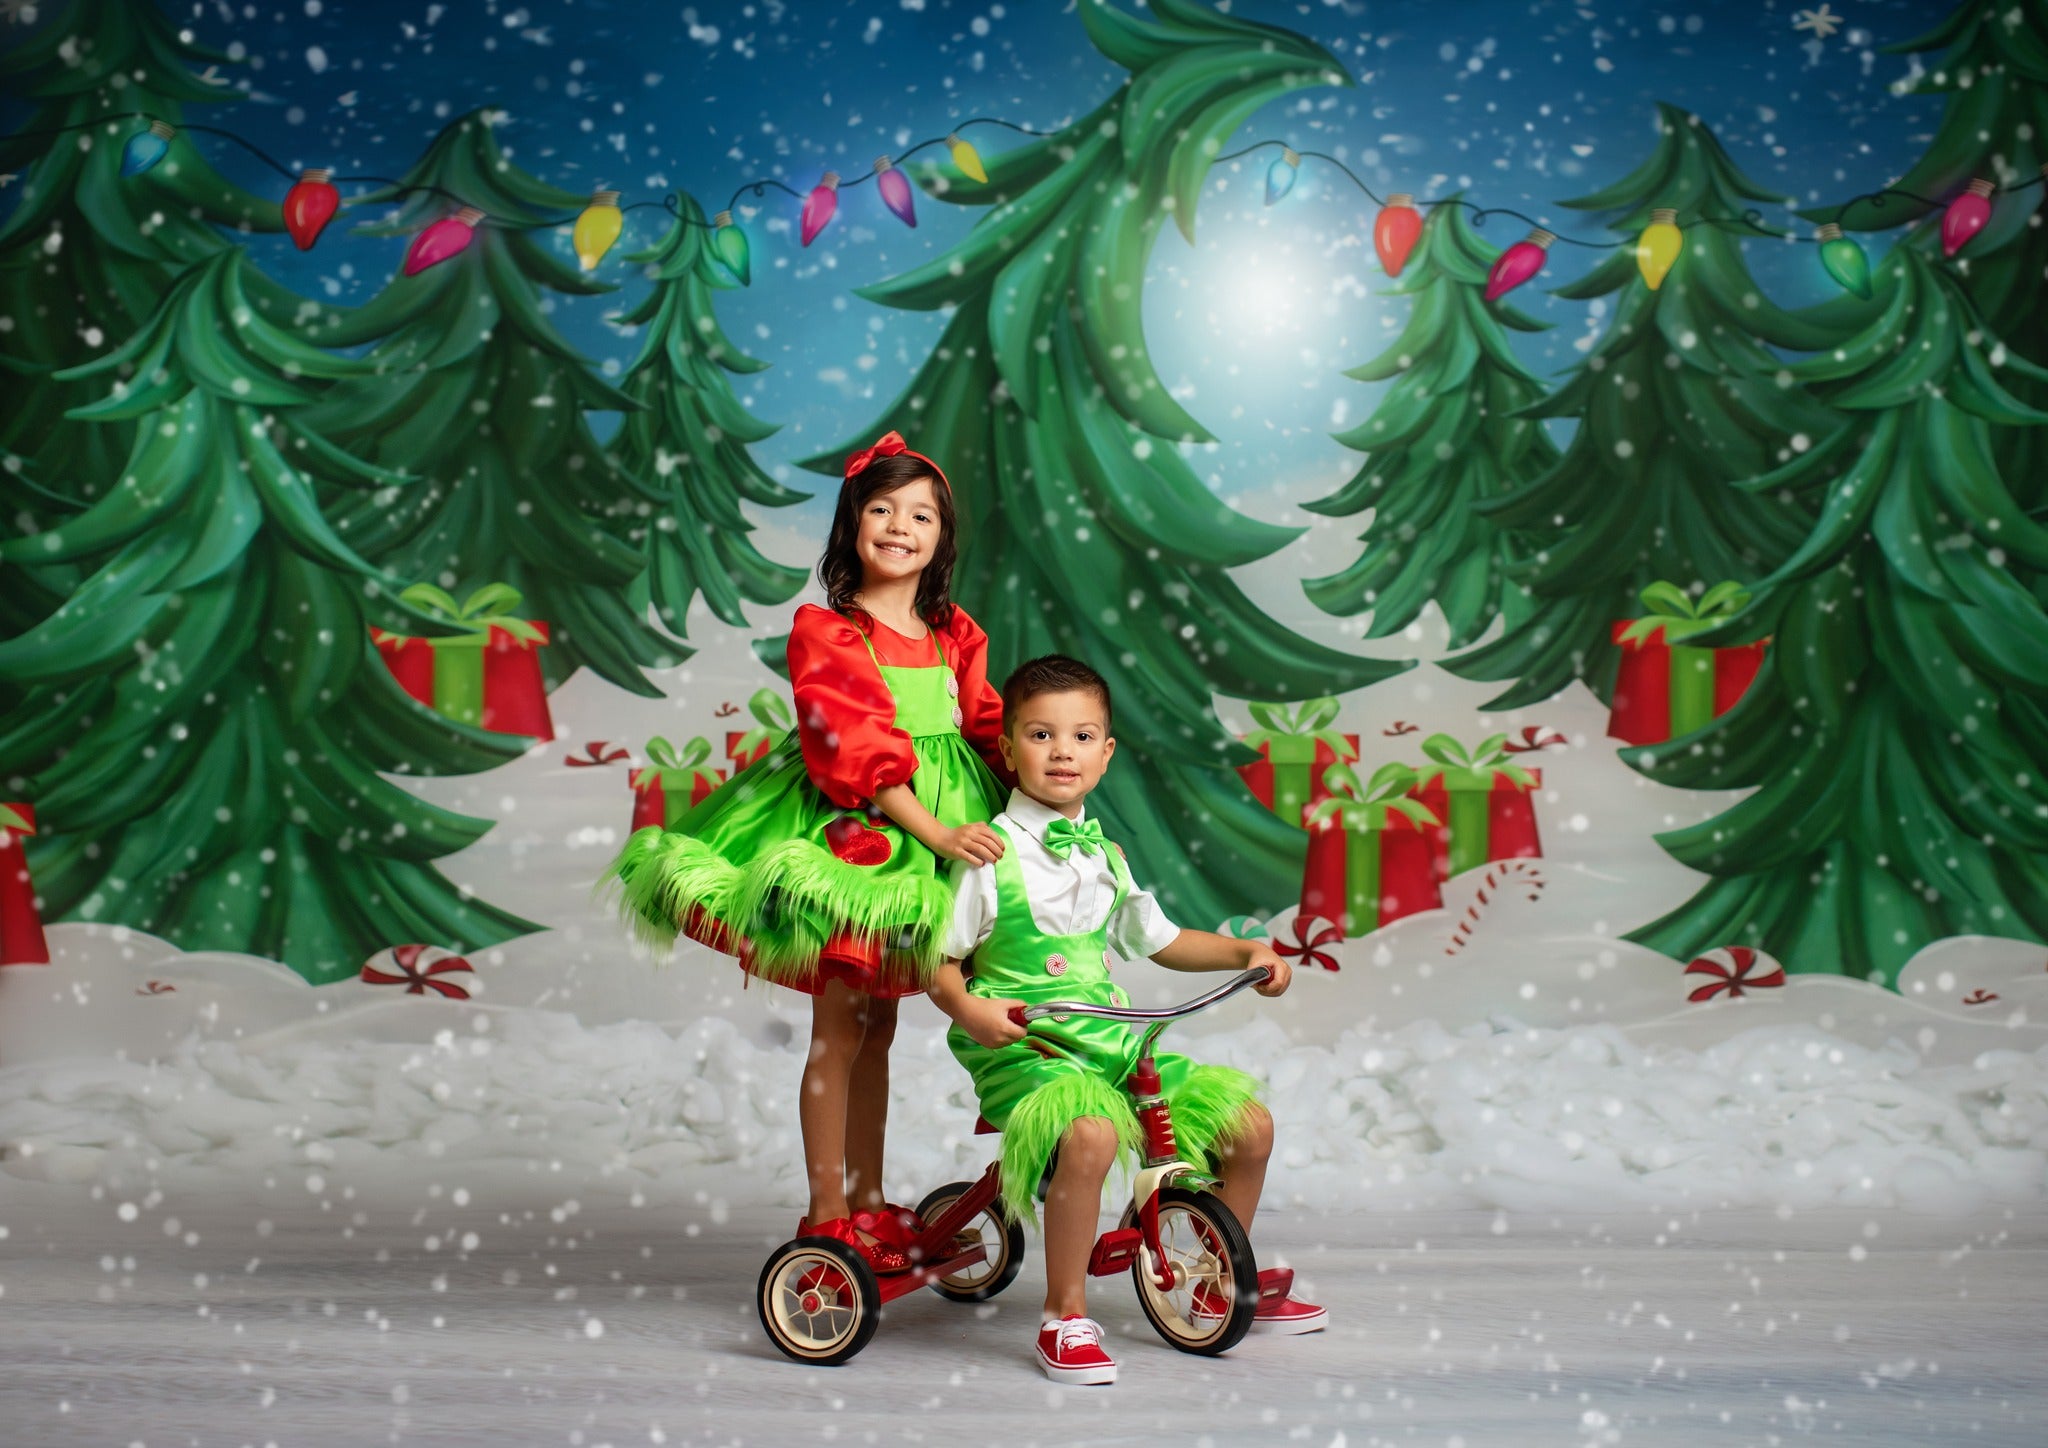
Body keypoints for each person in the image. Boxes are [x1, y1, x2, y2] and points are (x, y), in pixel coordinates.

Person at [610, 432, 1010, 1276]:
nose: (900, 527)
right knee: (841, 1024)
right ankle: (828, 1208)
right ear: (851, 524)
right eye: (881, 510)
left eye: (921, 515)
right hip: (860, 835)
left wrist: (1039, 789)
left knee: (885, 1026)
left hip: (941, 832)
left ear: (942, 536)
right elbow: (855, 746)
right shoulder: (827, 631)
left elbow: (984, 726)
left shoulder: (953, 633)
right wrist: (933, 831)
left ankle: (868, 1199)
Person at [927, 655, 1328, 1385]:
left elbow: (1164, 940)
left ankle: (1213, 1274)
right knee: (1091, 1133)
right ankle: (1065, 1313)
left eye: (1082, 737)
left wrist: (1244, 950)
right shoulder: (988, 854)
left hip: (1108, 1038)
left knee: (1249, 1125)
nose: (1062, 752)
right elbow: (937, 958)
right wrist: (966, 1005)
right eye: (1041, 735)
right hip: (1027, 1042)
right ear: (1010, 748)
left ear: (1106, 753)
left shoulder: (1104, 854)